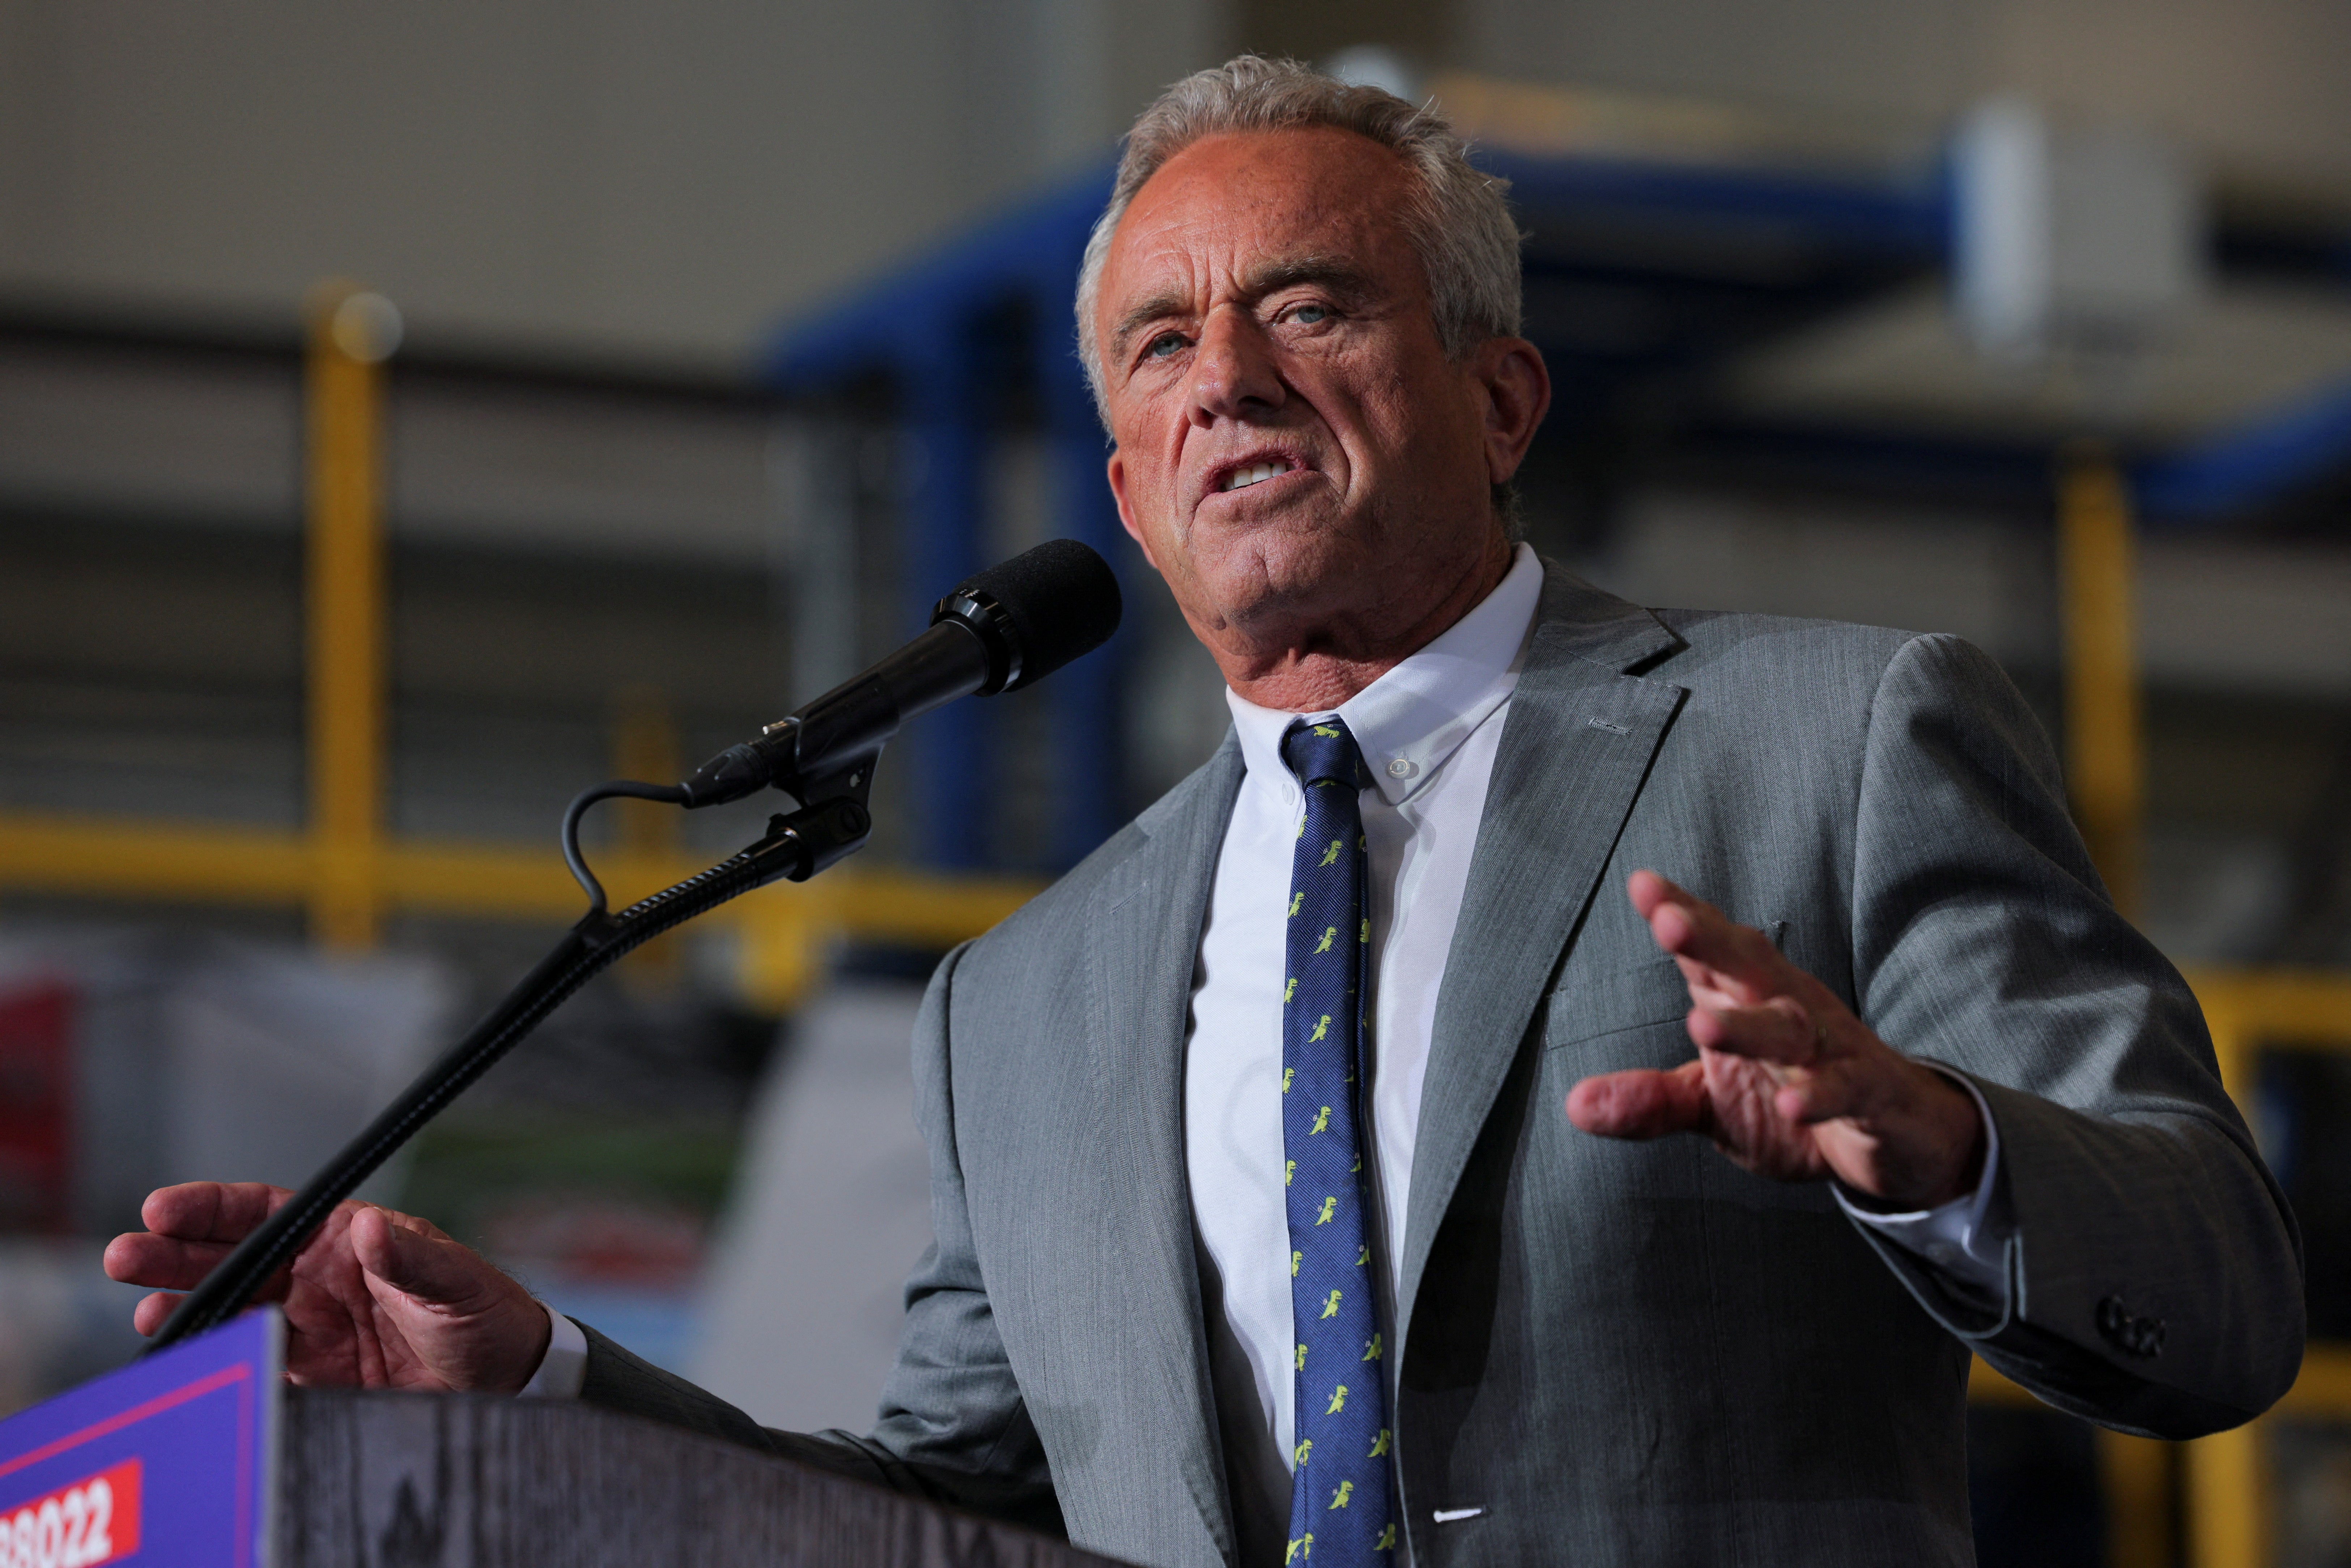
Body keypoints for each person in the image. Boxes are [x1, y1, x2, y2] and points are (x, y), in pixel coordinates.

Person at [109, 57, 2301, 1568]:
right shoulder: (1025, 998)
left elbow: (2211, 1296)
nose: (1225, 376)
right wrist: (552, 1380)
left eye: (1309, 305)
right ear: (1129, 496)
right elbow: (958, 1514)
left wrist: (1940, 1144)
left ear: (1499, 394)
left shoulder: (1825, 738)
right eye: (1159, 348)